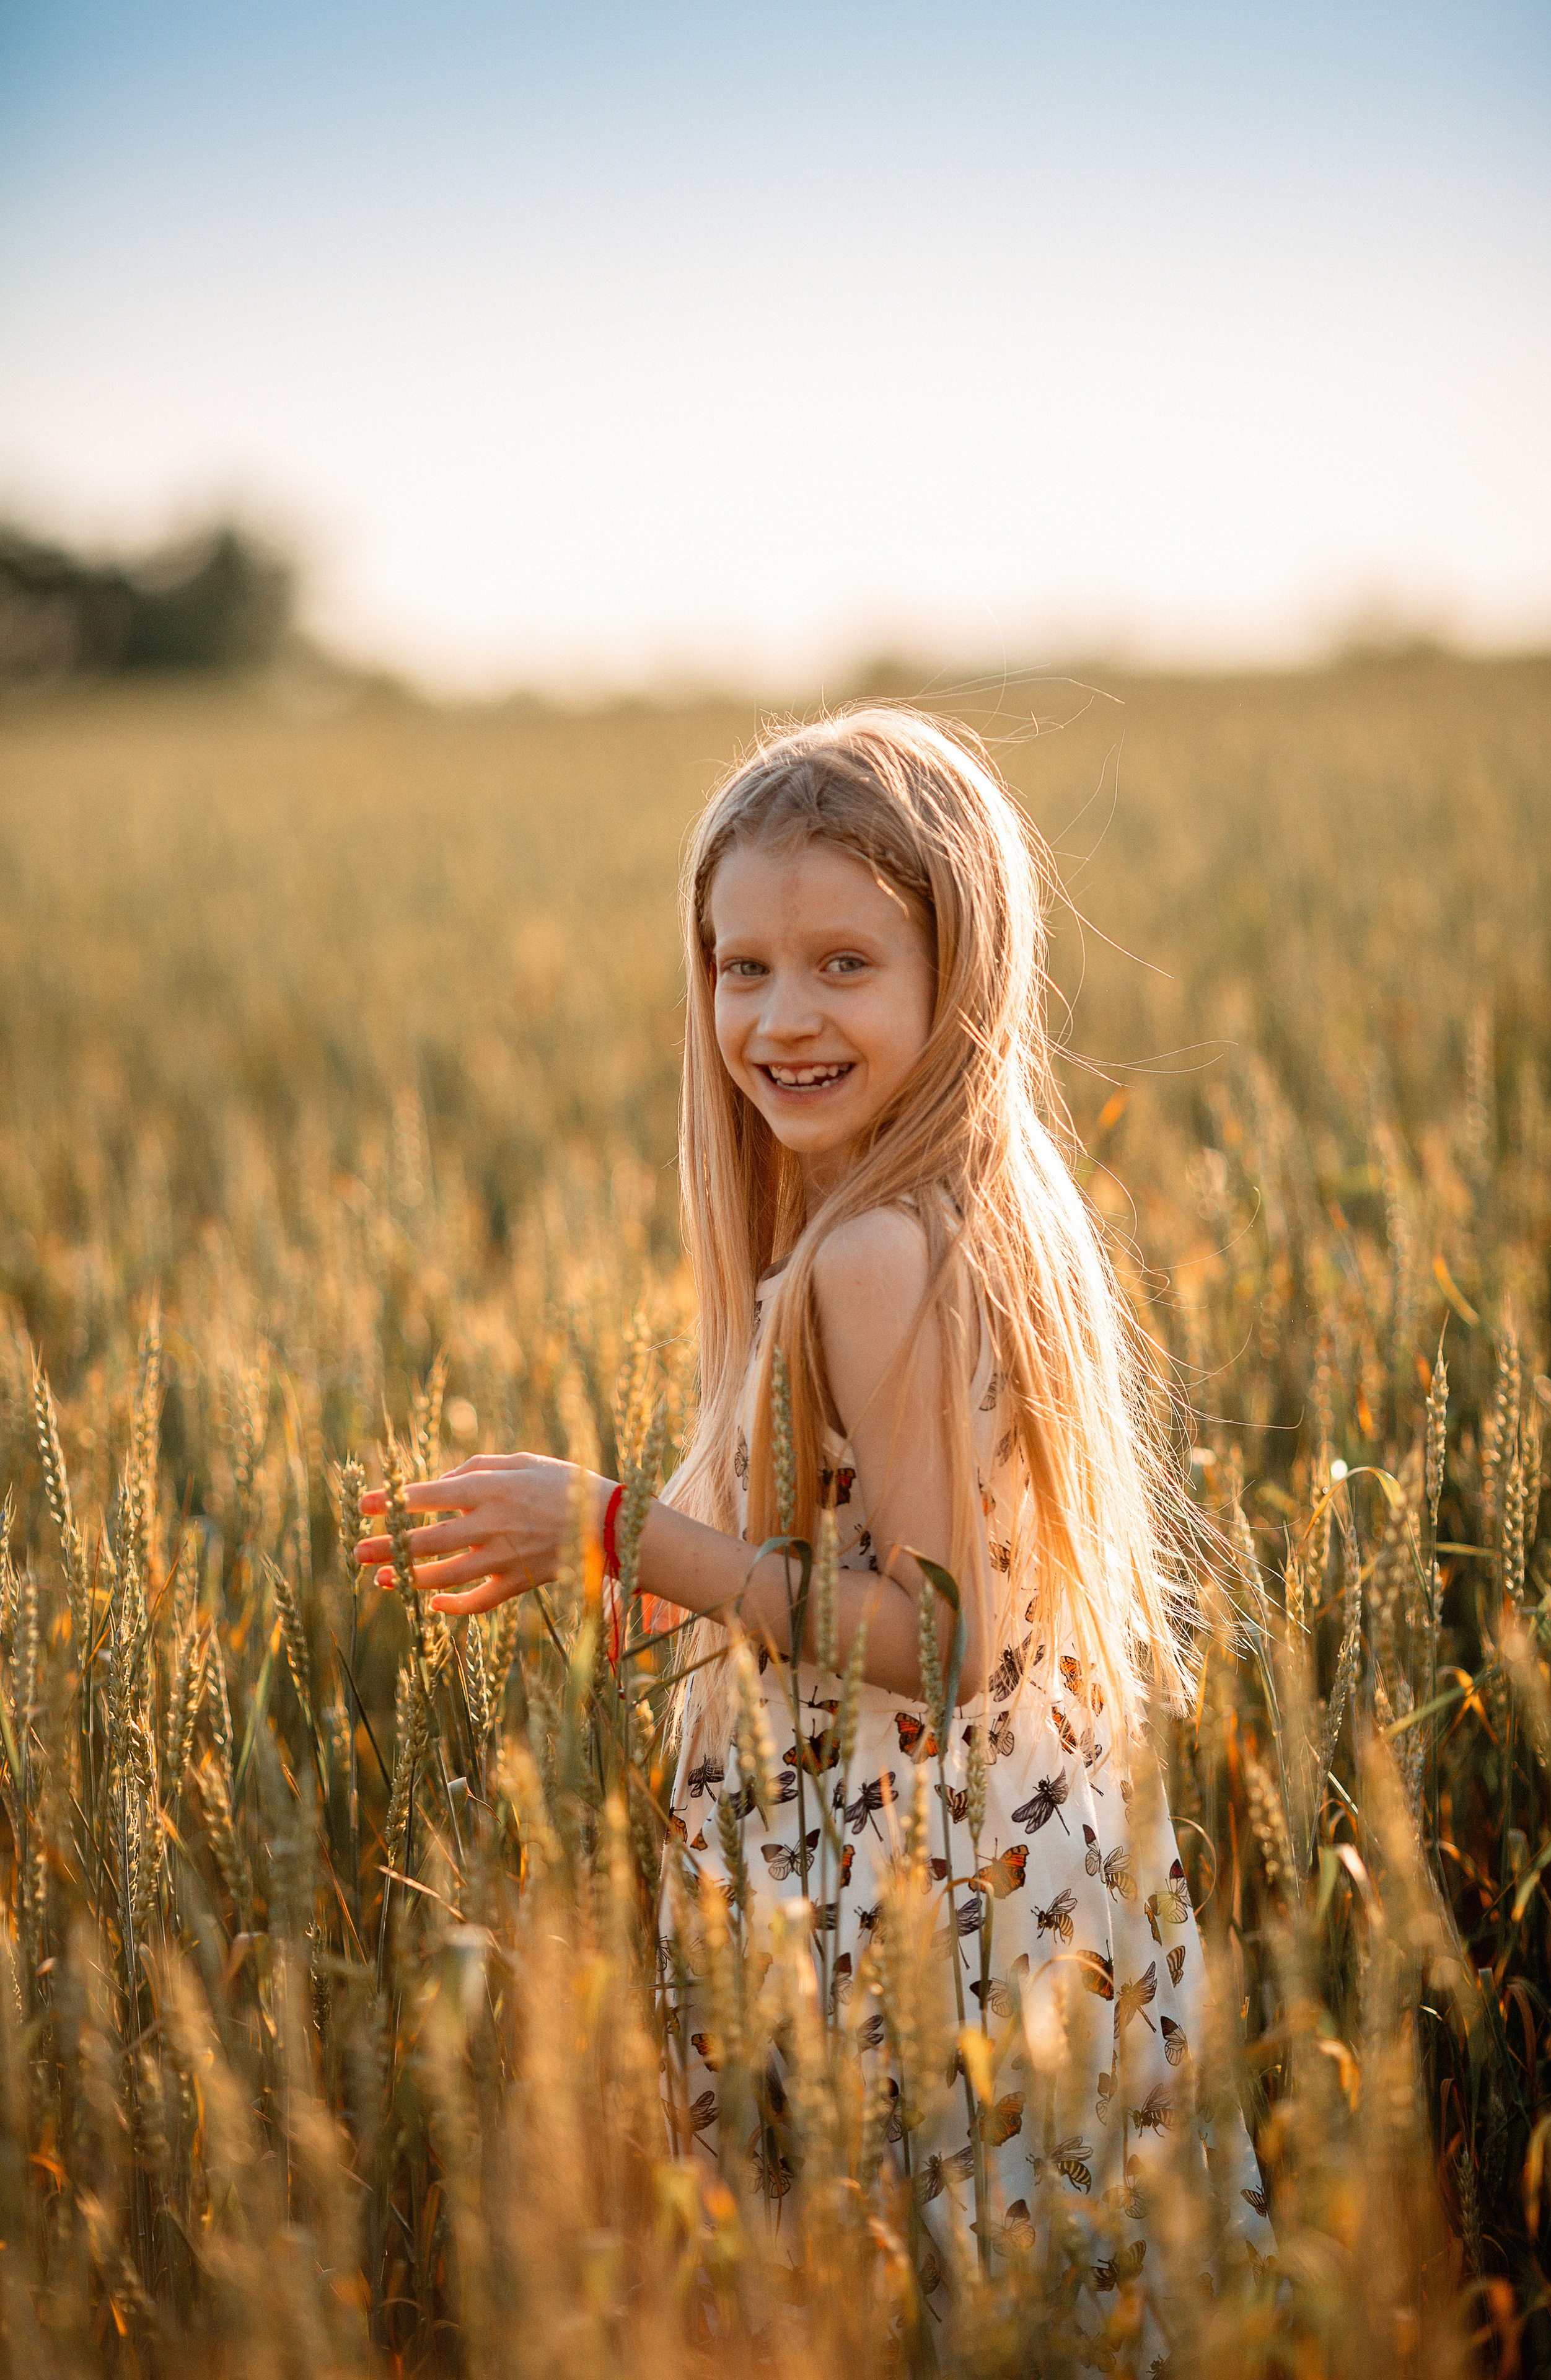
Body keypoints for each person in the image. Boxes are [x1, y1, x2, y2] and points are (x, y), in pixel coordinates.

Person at [356, 708, 1272, 2353]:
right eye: (743, 968)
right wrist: (712, 1586)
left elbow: (942, 1639)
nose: (781, 1017)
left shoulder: (876, 1255)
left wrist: (619, 1530)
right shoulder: (963, 1208)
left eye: (845, 963)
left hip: (932, 1910)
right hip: (1015, 1880)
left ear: (958, 976)